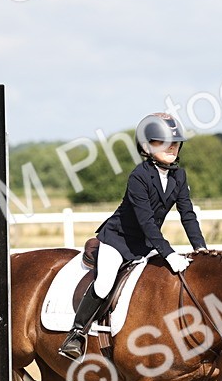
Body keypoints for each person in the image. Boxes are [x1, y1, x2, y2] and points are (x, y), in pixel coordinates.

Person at [58, 112, 208, 360]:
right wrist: (169, 253)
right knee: (105, 283)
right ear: (147, 147)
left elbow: (188, 215)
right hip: (118, 241)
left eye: (175, 141)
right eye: (163, 141)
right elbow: (146, 222)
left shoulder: (179, 176)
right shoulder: (139, 176)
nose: (172, 146)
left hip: (146, 244)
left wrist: (201, 250)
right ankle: (75, 334)